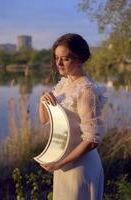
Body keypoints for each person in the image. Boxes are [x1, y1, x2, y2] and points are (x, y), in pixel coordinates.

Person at [38, 33, 106, 200]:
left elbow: (92, 140)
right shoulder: (64, 83)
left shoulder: (86, 90)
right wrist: (42, 101)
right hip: (63, 164)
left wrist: (60, 163)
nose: (59, 63)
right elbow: (45, 120)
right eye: (57, 58)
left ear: (80, 59)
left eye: (66, 59)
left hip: (79, 166)